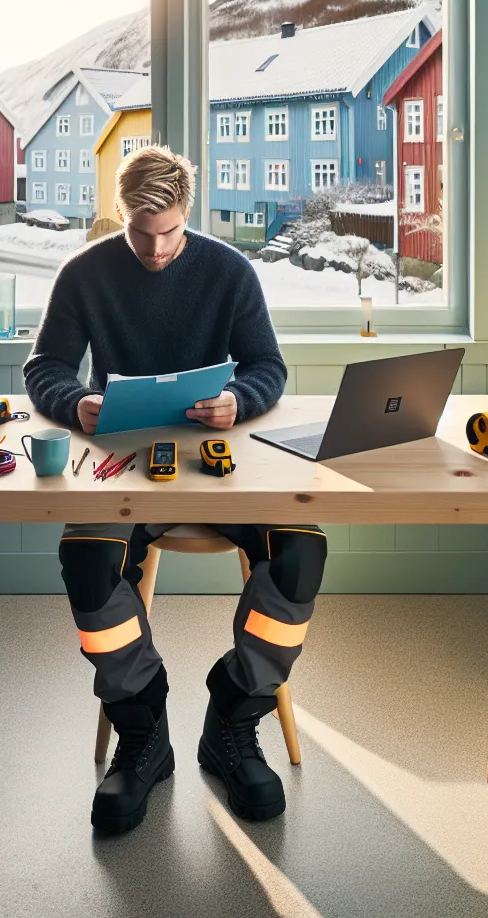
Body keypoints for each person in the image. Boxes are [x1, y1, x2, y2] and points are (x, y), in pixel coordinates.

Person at [24, 145, 327, 835]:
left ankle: (234, 717)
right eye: (140, 232)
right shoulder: (85, 273)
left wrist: (238, 399)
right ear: (121, 215)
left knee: (303, 552)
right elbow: (45, 367)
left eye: (170, 233)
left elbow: (268, 368)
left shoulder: (229, 270)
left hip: (227, 464)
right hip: (125, 467)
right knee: (89, 563)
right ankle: (142, 728)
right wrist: (77, 404)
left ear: (189, 214)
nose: (157, 250)